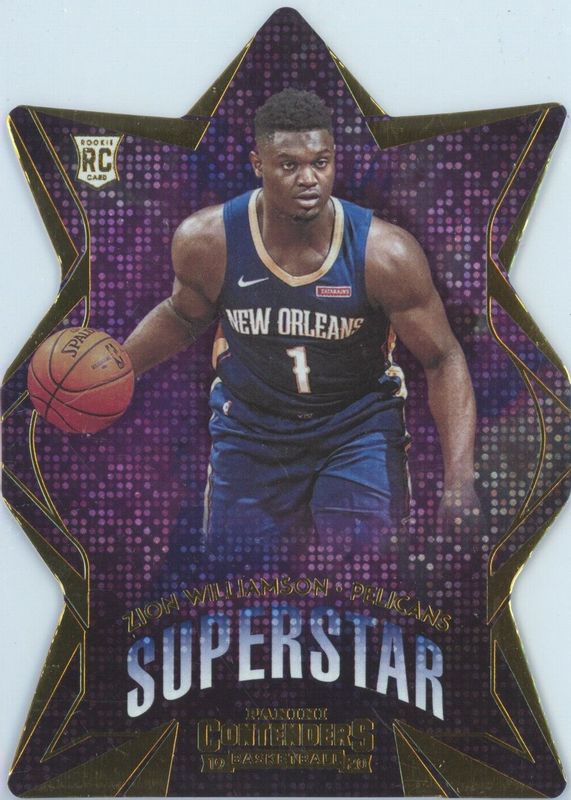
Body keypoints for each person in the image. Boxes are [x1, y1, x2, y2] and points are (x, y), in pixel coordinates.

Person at [124, 89, 478, 566]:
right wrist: (119, 369)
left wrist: (459, 482)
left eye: (320, 162)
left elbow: (442, 357)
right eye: (289, 165)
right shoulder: (209, 241)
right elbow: (183, 315)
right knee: (237, 583)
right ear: (258, 163)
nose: (309, 178)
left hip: (356, 427)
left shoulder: (385, 255)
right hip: (251, 430)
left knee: (366, 574)